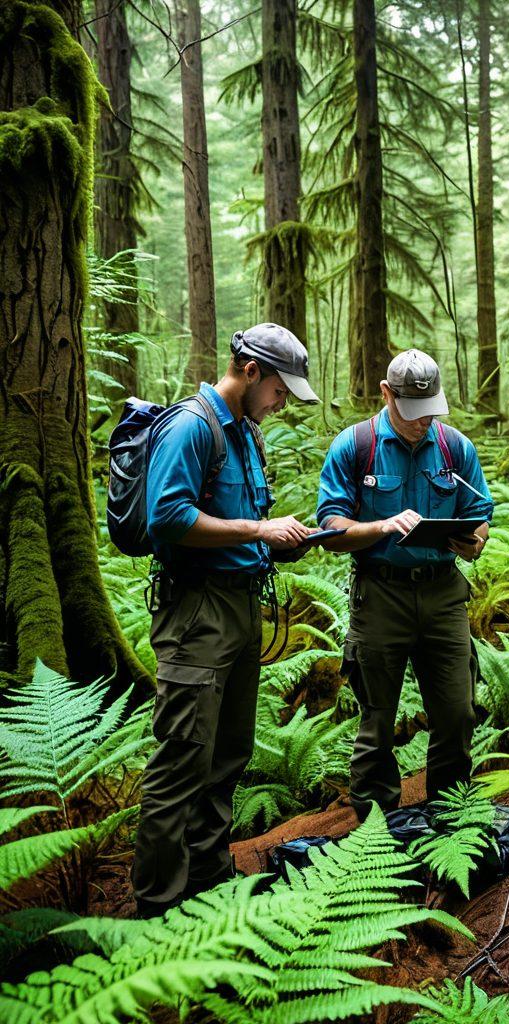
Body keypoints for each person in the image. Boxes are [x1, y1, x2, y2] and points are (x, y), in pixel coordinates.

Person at [132, 323, 318, 917]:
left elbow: (240, 524)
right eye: (281, 390)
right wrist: (257, 530)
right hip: (197, 613)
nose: (283, 402)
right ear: (252, 371)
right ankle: (158, 906)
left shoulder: (246, 434)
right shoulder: (193, 426)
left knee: (227, 755)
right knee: (181, 759)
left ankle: (208, 884)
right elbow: (168, 518)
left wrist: (281, 540)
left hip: (240, 607)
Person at [316, 348, 493, 820]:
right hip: (380, 595)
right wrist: (381, 527)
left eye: (431, 410)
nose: (423, 422)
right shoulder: (355, 447)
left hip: (443, 595)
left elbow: (481, 519)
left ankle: (451, 818)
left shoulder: (455, 447)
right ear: (387, 394)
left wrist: (473, 542)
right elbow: (330, 528)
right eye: (414, 412)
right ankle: (378, 832)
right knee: (377, 721)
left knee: (457, 714)